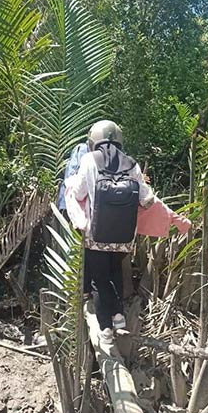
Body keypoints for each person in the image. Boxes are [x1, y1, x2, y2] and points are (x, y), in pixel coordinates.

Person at [66, 120, 155, 344]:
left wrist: (70, 183)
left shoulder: (88, 160)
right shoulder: (132, 164)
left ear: (93, 140)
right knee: (114, 271)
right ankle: (119, 317)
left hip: (97, 235)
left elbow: (78, 193)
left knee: (98, 280)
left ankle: (105, 328)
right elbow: (146, 199)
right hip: (124, 238)